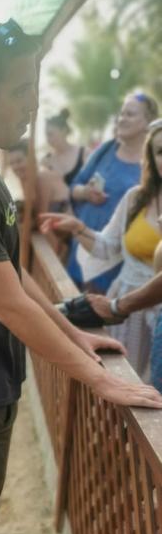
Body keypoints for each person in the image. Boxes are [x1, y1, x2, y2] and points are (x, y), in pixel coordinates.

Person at [0, 20, 162, 532]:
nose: (33, 104)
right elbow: (8, 303)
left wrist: (75, 335)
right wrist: (96, 380)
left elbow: (14, 274)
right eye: (22, 90)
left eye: (35, 87)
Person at [41, 118, 162, 379]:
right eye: (160, 152)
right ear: (152, 159)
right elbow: (107, 247)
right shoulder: (135, 199)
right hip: (128, 312)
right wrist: (77, 228)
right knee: (126, 385)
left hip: (148, 313)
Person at [67, 92, 159, 291]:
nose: (122, 118)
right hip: (86, 248)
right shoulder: (107, 149)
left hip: (117, 265)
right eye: (121, 113)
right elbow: (75, 186)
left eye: (130, 114)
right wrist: (86, 193)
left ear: (148, 122)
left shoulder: (151, 171)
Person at [41, 108, 86, 186]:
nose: (48, 139)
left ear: (64, 130)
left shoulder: (84, 154)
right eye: (46, 135)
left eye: (50, 134)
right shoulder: (46, 161)